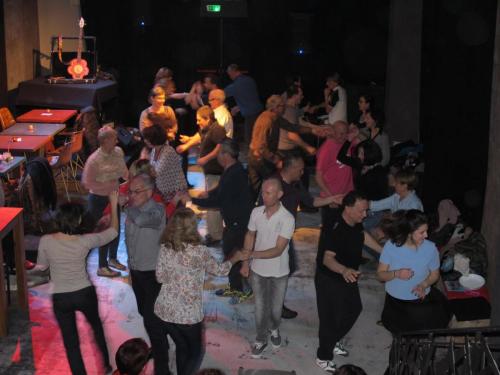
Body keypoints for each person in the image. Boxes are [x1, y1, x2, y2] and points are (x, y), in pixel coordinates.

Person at [154, 208, 248, 375]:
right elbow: (221, 270)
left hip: (164, 312)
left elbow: (160, 278)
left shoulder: (165, 247)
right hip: (187, 314)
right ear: (192, 227)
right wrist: (235, 257)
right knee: (196, 353)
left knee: (182, 347)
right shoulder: (198, 251)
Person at [36, 192, 119, 375]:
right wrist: (113, 204)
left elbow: (41, 268)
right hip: (84, 293)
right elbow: (113, 232)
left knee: (71, 343)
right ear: (78, 220)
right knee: (96, 328)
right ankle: (106, 366)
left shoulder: (46, 241)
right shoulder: (85, 241)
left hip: (61, 297)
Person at [269, 152, 343, 319]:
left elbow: (310, 202)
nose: (303, 173)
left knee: (288, 268)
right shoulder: (273, 185)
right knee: (281, 270)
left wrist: (332, 199)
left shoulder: (296, 184)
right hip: (274, 237)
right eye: (301, 170)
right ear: (293, 168)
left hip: (286, 235)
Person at [315, 191, 381, 373]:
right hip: (330, 277)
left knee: (354, 309)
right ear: (348, 208)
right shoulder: (335, 226)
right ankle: (323, 356)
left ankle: (332, 339)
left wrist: (382, 250)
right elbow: (328, 259)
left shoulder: (355, 221)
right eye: (362, 211)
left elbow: (362, 235)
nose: (365, 214)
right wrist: (344, 270)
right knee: (330, 318)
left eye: (366, 210)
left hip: (348, 274)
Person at [188, 139, 253, 302]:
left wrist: (192, 200)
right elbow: (222, 190)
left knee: (231, 256)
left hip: (238, 224)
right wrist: (209, 193)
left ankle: (240, 290)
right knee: (231, 253)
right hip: (236, 222)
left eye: (219, 153)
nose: (217, 157)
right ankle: (238, 286)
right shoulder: (233, 169)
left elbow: (219, 202)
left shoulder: (234, 174)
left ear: (225, 154)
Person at [240, 178, 295, 358]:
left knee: (276, 310)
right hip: (257, 271)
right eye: (263, 192)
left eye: (268, 193)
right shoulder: (256, 212)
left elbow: (278, 249)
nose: (264, 196)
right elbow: (250, 235)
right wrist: (245, 263)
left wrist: (251, 255)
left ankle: (274, 328)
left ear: (279, 194)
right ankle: (261, 339)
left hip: (279, 273)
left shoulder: (287, 218)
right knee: (260, 307)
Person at [123, 173, 171, 375]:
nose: (132, 195)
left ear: (150, 192)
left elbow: (141, 220)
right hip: (136, 270)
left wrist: (125, 207)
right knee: (144, 312)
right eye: (130, 191)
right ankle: (161, 341)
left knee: (152, 321)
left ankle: (163, 369)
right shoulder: (134, 210)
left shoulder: (157, 211)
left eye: (136, 192)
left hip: (154, 274)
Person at [376, 210, 450, 334]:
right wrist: (396, 273)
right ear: (409, 233)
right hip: (395, 300)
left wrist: (423, 285)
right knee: (397, 331)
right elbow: (380, 275)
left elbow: (434, 275)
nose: (426, 235)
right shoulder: (391, 246)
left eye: (426, 231)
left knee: (419, 332)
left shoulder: (431, 248)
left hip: (419, 298)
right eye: (421, 232)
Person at [82, 125, 128, 277]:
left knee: (115, 229)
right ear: (106, 140)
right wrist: (107, 186)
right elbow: (87, 182)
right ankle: (101, 266)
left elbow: (124, 173)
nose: (117, 140)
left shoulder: (118, 152)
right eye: (114, 138)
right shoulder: (94, 160)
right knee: (103, 232)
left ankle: (113, 259)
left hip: (113, 197)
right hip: (98, 199)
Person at [142, 124, 187, 202]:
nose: (145, 140)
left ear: (155, 138)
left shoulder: (168, 151)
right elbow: (151, 169)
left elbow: (156, 172)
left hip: (175, 194)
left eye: (147, 138)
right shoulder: (154, 150)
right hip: (164, 193)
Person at [224, 63, 263, 143]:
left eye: (229, 75)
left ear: (233, 72)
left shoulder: (236, 85)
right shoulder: (250, 80)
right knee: (258, 138)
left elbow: (220, 94)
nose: (230, 77)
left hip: (251, 116)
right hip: (260, 113)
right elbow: (250, 98)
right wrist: (239, 107)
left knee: (250, 140)